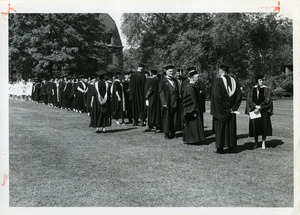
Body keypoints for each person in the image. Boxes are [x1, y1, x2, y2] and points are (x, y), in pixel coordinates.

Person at [210, 65, 242, 154]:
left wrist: (225, 109)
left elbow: (216, 97)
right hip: (232, 110)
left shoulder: (218, 81)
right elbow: (239, 96)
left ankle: (220, 148)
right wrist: (233, 108)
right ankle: (231, 147)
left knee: (221, 129)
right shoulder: (234, 81)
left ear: (220, 71)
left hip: (221, 111)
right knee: (231, 128)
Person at [245, 75, 273, 149]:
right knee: (255, 126)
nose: (262, 81)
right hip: (254, 111)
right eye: (260, 80)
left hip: (263, 110)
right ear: (256, 81)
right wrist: (254, 106)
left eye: (262, 80)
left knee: (264, 126)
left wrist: (260, 106)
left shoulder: (266, 89)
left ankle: (263, 142)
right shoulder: (252, 89)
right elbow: (249, 99)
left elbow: (268, 100)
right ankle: (256, 142)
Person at [182, 69, 206, 144]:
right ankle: (192, 140)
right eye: (197, 77)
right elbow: (190, 101)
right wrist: (192, 110)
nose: (198, 78)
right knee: (192, 124)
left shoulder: (194, 87)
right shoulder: (189, 88)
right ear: (192, 78)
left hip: (196, 109)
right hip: (192, 110)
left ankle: (196, 139)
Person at [159, 64, 181, 139]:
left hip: (175, 102)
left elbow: (177, 91)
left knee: (174, 118)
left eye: (172, 71)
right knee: (167, 118)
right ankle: (166, 133)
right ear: (166, 72)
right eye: (170, 71)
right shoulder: (163, 81)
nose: (171, 72)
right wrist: (164, 103)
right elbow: (161, 92)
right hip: (167, 102)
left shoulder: (175, 80)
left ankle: (173, 132)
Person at [144, 66, 162, 132]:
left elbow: (151, 89)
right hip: (158, 97)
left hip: (153, 97)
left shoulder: (154, 79)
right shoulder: (159, 78)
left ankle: (153, 125)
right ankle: (157, 126)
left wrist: (146, 95)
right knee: (157, 111)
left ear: (151, 72)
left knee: (152, 111)